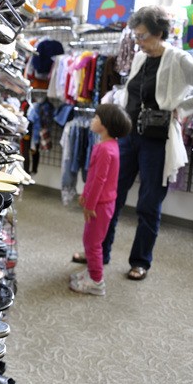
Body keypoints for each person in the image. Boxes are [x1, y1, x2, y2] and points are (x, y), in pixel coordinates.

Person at [72, 6, 193, 281]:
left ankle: (140, 261)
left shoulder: (178, 59)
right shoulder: (140, 58)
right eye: (136, 37)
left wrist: (181, 108)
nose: (138, 42)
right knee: (112, 197)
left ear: (159, 33)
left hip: (157, 141)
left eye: (143, 36)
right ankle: (99, 251)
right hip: (128, 138)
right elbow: (130, 96)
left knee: (149, 203)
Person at [70, 104, 132, 296]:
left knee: (92, 243)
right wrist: (85, 194)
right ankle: (91, 274)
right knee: (90, 240)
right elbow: (94, 177)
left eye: (96, 118)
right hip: (101, 202)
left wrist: (90, 204)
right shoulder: (106, 146)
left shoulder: (106, 149)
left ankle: (97, 281)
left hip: (100, 205)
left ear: (105, 125)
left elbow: (100, 180)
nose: (92, 120)